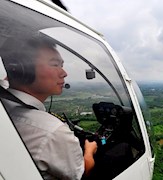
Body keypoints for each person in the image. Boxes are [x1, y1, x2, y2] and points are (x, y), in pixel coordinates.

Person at [1, 35, 97, 179]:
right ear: (24, 70)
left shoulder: (4, 104)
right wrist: (89, 151)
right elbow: (81, 173)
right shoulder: (52, 132)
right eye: (55, 64)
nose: (64, 73)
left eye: (62, 65)